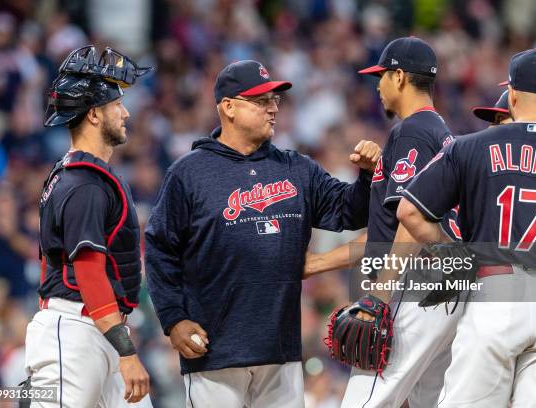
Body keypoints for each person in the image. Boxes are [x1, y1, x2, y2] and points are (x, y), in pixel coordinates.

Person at [144, 59, 381, 408]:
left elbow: (348, 212)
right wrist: (173, 319)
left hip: (280, 348)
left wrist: (367, 176)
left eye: (275, 100)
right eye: (260, 101)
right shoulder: (189, 173)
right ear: (228, 107)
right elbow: (160, 249)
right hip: (214, 348)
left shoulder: (296, 167)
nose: (272, 108)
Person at [398, 49, 536, 407]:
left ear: (513, 95)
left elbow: (409, 212)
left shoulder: (470, 147)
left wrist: (454, 252)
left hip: (496, 293)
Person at [328, 36, 462, 408]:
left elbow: (412, 217)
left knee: (363, 400)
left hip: (413, 284)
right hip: (443, 288)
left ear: (400, 76)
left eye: (383, 75)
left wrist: (380, 294)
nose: (378, 85)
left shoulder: (413, 131)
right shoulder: (440, 133)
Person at [25, 45, 153, 407]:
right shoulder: (83, 183)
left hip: (94, 329)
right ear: (94, 114)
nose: (126, 113)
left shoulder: (77, 175)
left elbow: (47, 264)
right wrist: (127, 353)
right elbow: (88, 272)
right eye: (117, 106)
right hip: (77, 331)